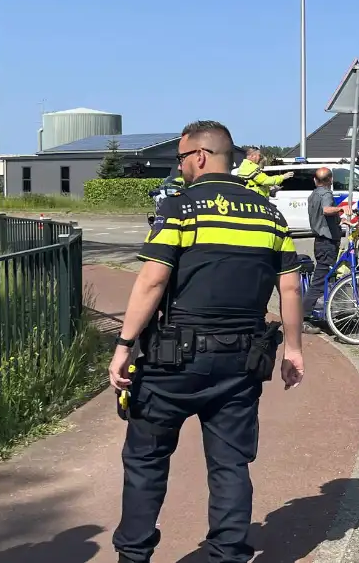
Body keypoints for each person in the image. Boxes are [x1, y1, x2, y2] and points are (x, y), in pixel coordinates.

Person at [109, 120, 306, 563]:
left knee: (146, 459)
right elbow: (290, 288)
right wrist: (293, 350)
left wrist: (123, 346)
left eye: (180, 158)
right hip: (241, 363)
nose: (179, 168)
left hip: (172, 362)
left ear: (199, 156)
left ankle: (134, 556)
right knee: (231, 463)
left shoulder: (181, 209)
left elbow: (153, 280)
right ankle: (226, 554)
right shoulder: (268, 214)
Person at [301, 167, 350, 333]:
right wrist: (341, 209)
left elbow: (322, 217)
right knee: (319, 282)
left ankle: (325, 312)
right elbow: (326, 210)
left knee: (324, 279)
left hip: (320, 241)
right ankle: (303, 318)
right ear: (330, 180)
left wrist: (339, 221)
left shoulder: (313, 195)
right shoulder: (326, 194)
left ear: (315, 180)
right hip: (327, 244)